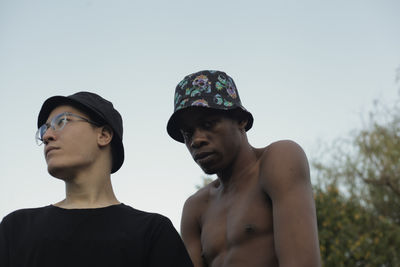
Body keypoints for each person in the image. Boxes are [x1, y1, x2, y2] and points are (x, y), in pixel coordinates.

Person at [0, 91, 193, 267]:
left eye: (62, 121)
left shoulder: (152, 232)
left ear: (104, 135)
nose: (47, 136)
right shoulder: (16, 229)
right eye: (45, 129)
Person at [167, 70, 321, 267]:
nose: (196, 140)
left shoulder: (278, 160)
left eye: (208, 124)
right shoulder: (195, 208)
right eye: (188, 133)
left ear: (241, 120)